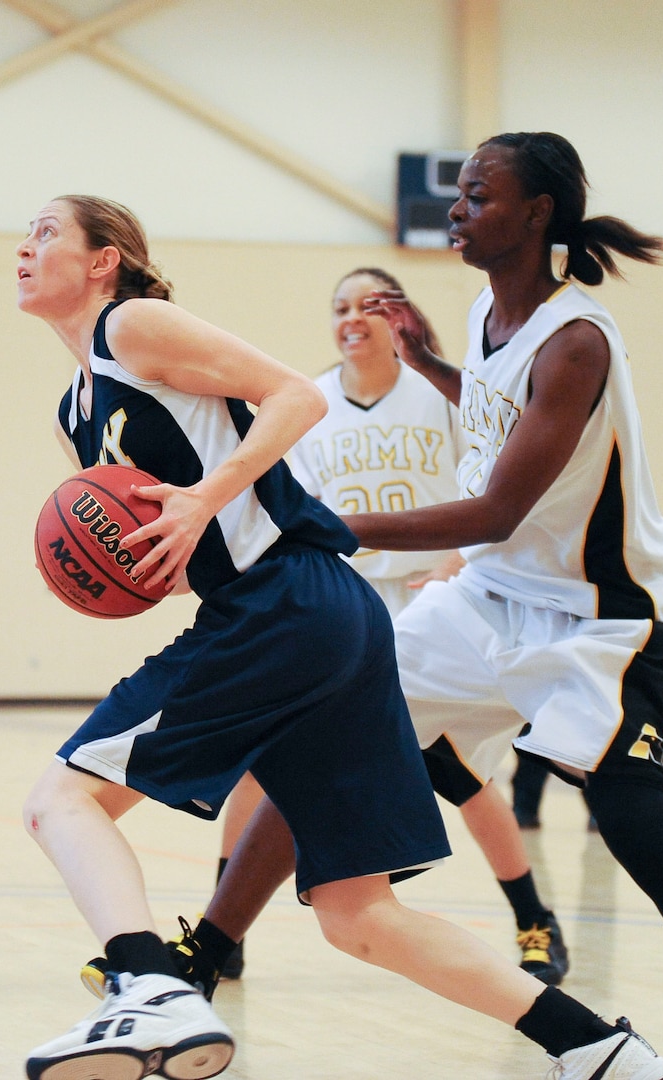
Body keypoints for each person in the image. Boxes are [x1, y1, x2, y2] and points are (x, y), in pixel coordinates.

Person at [185, 133, 663, 1080]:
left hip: (598, 618)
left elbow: (497, 508)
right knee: (320, 732)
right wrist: (438, 366)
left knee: (634, 824)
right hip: (490, 601)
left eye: (478, 194)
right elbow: (501, 411)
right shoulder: (491, 310)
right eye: (457, 194)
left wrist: (333, 524)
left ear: (537, 214)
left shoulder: (578, 339)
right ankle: (201, 956)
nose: (457, 209)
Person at [16, 194, 663, 1080]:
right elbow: (159, 541)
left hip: (281, 604)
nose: (23, 248)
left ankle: (150, 991)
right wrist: (152, 557)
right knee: (357, 915)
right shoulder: (75, 409)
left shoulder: (133, 326)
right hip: (330, 615)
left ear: (103, 260)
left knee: (62, 800)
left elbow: (292, 394)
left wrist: (209, 496)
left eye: (45, 232)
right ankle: (600, 1049)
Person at [90, 267, 569, 992]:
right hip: (337, 602)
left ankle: (535, 919)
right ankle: (224, 940)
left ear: (398, 319)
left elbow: (497, 476)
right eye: (341, 308)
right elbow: (284, 503)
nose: (352, 320)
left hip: (426, 607)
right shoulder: (317, 405)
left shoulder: (434, 398)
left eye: (369, 307)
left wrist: (456, 558)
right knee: (264, 765)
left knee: (460, 775)